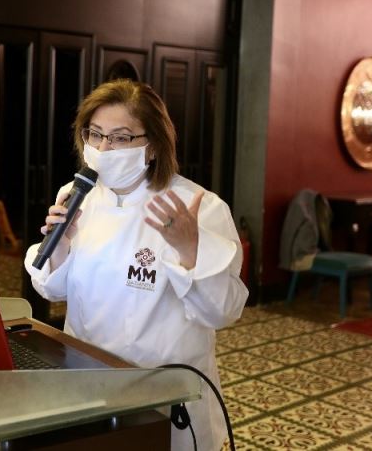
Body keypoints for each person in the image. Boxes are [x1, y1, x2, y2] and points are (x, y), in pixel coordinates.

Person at [24, 79, 248, 451]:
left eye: (120, 138)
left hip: (163, 398)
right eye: (95, 134)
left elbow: (223, 312)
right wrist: (60, 245)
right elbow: (52, 289)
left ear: (154, 145)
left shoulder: (197, 207)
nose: (102, 148)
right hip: (88, 383)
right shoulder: (77, 195)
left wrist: (190, 250)